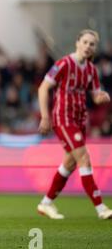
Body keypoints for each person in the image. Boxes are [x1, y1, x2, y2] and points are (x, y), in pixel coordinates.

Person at [37, 29, 112, 220]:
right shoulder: (63, 64)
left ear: (95, 48)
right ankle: (101, 208)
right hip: (63, 118)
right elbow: (44, 87)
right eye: (85, 42)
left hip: (80, 120)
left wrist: (101, 97)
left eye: (92, 44)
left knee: (69, 164)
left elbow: (95, 95)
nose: (88, 46)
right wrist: (45, 116)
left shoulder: (91, 70)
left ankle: (45, 203)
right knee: (84, 158)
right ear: (77, 43)